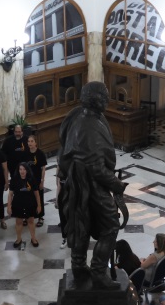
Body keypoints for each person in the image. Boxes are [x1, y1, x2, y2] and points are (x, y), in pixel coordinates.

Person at [58, 82, 127, 288]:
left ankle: (78, 265)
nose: (108, 100)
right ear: (95, 99)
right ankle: (98, 271)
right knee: (110, 225)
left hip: (80, 183)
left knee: (82, 224)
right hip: (91, 184)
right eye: (104, 97)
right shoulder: (89, 125)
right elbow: (97, 169)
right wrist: (117, 185)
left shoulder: (81, 116)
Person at [8, 162, 41, 249]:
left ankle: (33, 238)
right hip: (18, 204)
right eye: (20, 169)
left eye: (24, 169)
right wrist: (8, 206)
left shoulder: (31, 179)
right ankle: (19, 239)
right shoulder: (14, 180)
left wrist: (39, 205)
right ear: (18, 170)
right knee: (19, 222)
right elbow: (10, 194)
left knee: (30, 221)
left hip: (30, 203)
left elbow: (36, 193)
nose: (22, 171)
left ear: (27, 170)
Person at [24, 135, 48, 226]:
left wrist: (42, 181)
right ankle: (28, 216)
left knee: (39, 197)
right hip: (28, 180)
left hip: (37, 179)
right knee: (28, 198)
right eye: (28, 141)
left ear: (35, 142)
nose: (29, 143)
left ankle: (40, 216)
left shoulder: (40, 153)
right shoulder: (26, 153)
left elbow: (43, 168)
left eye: (31, 141)